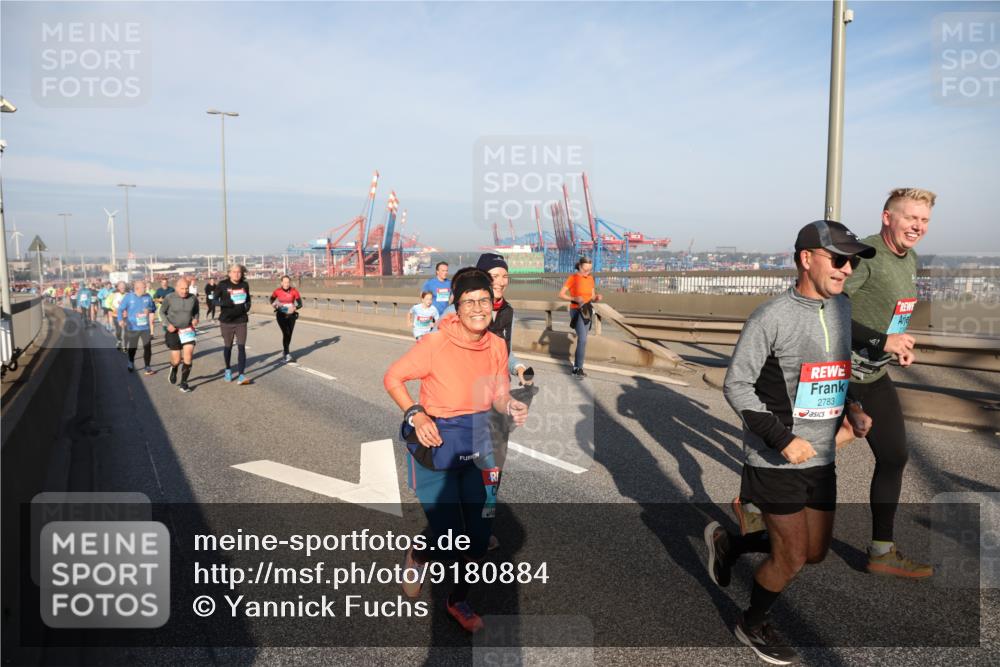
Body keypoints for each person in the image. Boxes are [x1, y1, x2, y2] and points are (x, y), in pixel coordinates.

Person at [704, 220, 874, 665]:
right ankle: (752, 623)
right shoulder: (771, 316)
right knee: (793, 556)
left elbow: (832, 371)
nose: (847, 269)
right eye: (838, 259)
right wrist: (782, 441)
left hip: (822, 456)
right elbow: (736, 386)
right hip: (775, 458)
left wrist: (852, 406)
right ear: (806, 259)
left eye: (852, 262)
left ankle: (731, 544)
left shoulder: (839, 308)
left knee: (815, 553)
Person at [383, 269, 528, 634]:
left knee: (478, 540)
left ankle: (456, 599)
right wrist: (416, 414)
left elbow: (497, 393)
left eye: (484, 300)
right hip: (439, 446)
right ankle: (419, 556)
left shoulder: (497, 346)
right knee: (449, 536)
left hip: (482, 444)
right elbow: (393, 377)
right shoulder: (435, 343)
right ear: (457, 307)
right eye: (469, 301)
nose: (478, 308)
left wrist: (510, 405)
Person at [843, 188, 936, 578]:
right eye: (911, 218)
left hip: (876, 373)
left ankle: (881, 551)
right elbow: (830, 311)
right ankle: (755, 500)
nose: (918, 226)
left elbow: (889, 311)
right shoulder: (865, 254)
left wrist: (897, 344)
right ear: (887, 217)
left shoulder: (909, 257)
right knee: (810, 456)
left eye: (925, 220)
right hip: (839, 375)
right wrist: (882, 340)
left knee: (895, 456)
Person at [558, 257, 602, 377]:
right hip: (576, 310)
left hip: (587, 310)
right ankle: (577, 368)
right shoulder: (573, 278)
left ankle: (578, 367)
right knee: (582, 339)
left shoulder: (591, 279)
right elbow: (561, 294)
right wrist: (574, 298)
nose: (587, 272)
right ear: (580, 266)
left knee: (583, 340)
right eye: (585, 269)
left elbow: (592, 296)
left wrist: (596, 297)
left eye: (589, 270)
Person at [161, 277, 200, 393]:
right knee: (177, 359)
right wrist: (167, 324)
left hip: (188, 330)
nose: (184, 291)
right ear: (177, 288)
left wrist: (196, 319)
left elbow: (196, 311)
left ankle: (184, 383)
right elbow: (162, 312)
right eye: (182, 288)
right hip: (173, 331)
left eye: (186, 288)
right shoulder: (169, 298)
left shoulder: (193, 298)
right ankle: (173, 368)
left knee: (188, 355)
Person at [216, 264, 252, 384]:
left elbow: (248, 300)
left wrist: (247, 307)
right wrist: (225, 303)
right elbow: (213, 300)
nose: (237, 274)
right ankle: (228, 369)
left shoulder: (244, 285)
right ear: (229, 273)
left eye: (239, 272)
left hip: (241, 320)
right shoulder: (222, 285)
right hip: (226, 321)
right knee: (228, 347)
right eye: (234, 272)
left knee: (241, 347)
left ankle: (241, 375)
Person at [117, 280, 156, 375]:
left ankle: (147, 366)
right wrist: (120, 319)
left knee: (147, 347)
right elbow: (120, 309)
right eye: (144, 287)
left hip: (145, 327)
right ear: (137, 288)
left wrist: (149, 310)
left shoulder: (148, 296)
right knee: (133, 348)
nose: (146, 289)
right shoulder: (128, 297)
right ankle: (130, 362)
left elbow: (153, 308)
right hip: (133, 327)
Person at [270, 275, 303, 362]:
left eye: (288, 282)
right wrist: (276, 305)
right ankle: (287, 354)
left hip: (291, 316)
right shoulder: (277, 291)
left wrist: (295, 308)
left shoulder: (294, 291)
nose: (286, 284)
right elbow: (271, 300)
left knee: (289, 334)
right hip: (281, 315)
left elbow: (300, 304)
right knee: (286, 333)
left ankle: (285, 351)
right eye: (285, 282)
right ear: (281, 283)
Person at [105, 281, 128, 350]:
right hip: (116, 315)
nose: (122, 287)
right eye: (121, 286)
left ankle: (125, 345)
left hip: (125, 315)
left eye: (123, 286)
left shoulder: (128, 294)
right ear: (118, 287)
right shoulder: (113, 294)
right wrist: (113, 308)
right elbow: (107, 303)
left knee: (126, 331)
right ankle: (119, 340)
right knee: (118, 331)